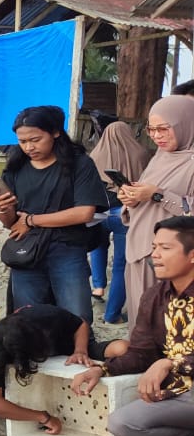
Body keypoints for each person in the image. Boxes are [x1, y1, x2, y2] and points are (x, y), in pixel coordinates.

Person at [72, 216, 194, 436]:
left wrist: (170, 362)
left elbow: (164, 360)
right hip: (180, 393)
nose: (155, 255)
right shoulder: (155, 296)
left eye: (165, 248)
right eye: (154, 246)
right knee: (123, 423)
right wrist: (102, 369)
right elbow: (140, 352)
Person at [0, 105, 107, 326]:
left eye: (35, 139)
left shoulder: (79, 164)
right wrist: (4, 208)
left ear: (55, 132)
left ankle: (78, 355)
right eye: (23, 141)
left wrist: (31, 220)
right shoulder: (16, 167)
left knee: (76, 316)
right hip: (27, 251)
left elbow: (85, 212)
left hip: (67, 249)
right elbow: (10, 223)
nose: (29, 147)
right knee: (27, 319)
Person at [0, 304, 116, 435]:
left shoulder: (42, 315)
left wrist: (80, 350)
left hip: (70, 349)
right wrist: (43, 417)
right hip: (38, 356)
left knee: (121, 348)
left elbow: (80, 324)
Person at [117, 96, 194, 325]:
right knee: (140, 320)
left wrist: (157, 194)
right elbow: (148, 197)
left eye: (164, 129)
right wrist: (131, 199)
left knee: (166, 325)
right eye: (151, 130)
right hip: (139, 248)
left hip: (175, 257)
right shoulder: (160, 157)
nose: (157, 136)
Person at [88, 122, 151, 324]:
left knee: (97, 248)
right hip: (125, 213)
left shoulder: (95, 155)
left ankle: (98, 286)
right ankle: (112, 314)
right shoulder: (141, 154)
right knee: (121, 265)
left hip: (98, 213)